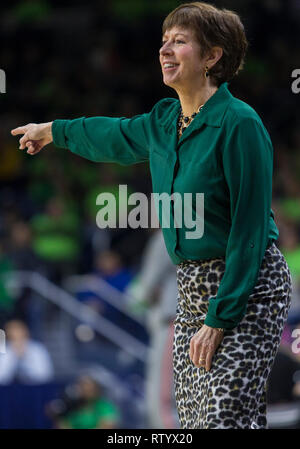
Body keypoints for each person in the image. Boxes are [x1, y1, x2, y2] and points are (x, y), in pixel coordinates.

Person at [11, 1, 292, 429]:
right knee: (195, 423)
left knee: (223, 420)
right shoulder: (165, 120)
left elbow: (249, 234)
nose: (164, 49)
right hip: (192, 288)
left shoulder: (240, 124)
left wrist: (219, 318)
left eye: (179, 42)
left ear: (212, 56)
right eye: (164, 41)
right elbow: (114, 135)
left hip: (246, 288)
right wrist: (53, 131)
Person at [0, 319, 54, 384]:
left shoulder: (37, 349)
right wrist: (13, 357)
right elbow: (2, 378)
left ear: (26, 333)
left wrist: (25, 358)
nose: (17, 340)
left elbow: (45, 376)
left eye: (20, 335)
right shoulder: (3, 350)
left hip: (35, 391)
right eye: (12, 337)